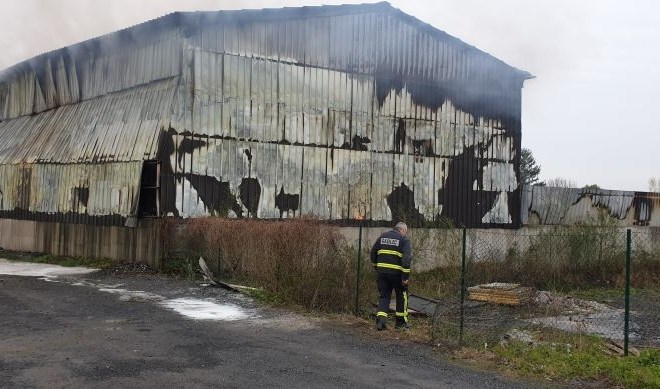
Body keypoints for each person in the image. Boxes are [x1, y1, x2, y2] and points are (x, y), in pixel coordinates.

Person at [370, 222, 412, 330]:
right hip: (397, 275)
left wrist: (377, 267)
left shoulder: (382, 237)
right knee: (402, 296)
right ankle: (400, 324)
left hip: (382, 273)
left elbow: (373, 253)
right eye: (405, 232)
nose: (405, 234)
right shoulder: (403, 240)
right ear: (402, 230)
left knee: (384, 296)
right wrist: (405, 277)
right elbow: (406, 260)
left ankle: (380, 322)